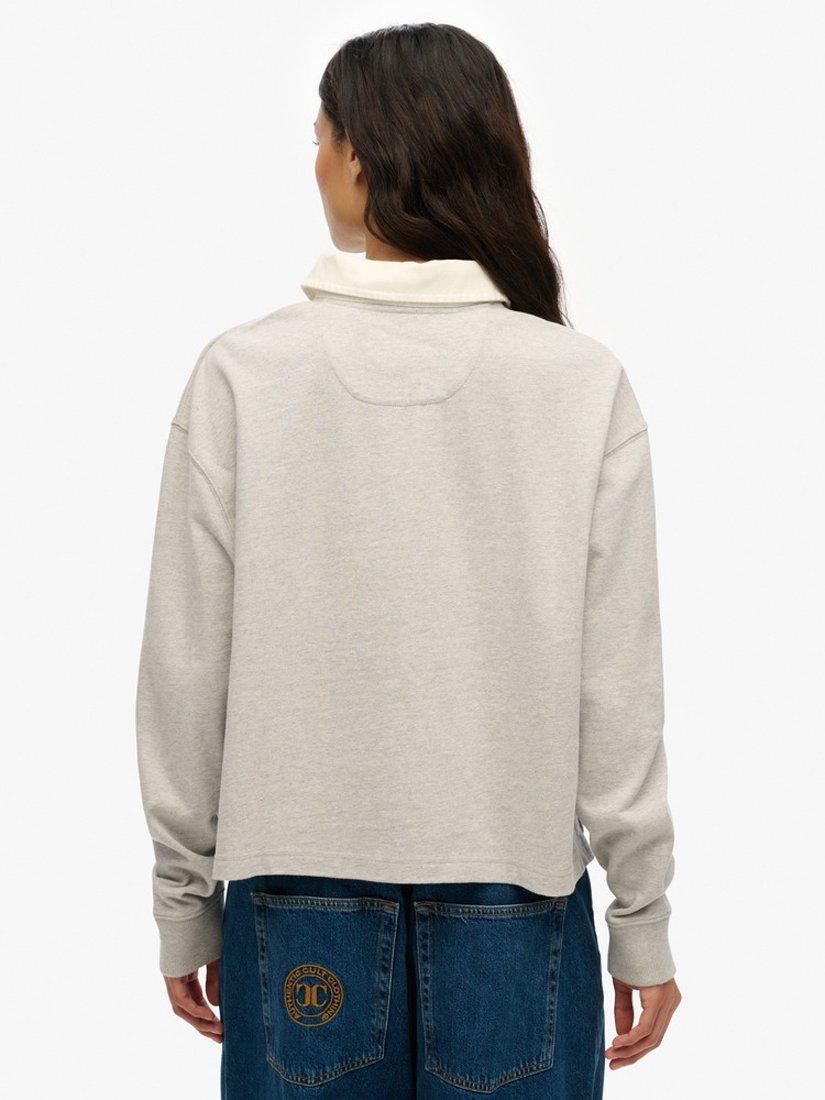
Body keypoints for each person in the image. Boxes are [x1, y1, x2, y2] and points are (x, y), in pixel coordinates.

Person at [137, 22, 680, 1098]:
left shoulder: (244, 375)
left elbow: (185, 669)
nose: (315, 162)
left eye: (320, 137)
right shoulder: (577, 383)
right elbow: (617, 688)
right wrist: (644, 919)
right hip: (515, 896)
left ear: (363, 156)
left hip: (292, 890)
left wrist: (181, 900)